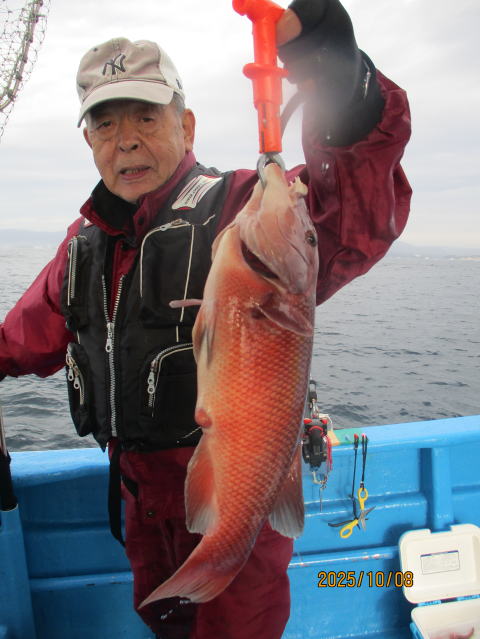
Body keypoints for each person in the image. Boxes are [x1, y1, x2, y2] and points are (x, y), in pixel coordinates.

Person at [0, 1, 411, 637]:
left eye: (146, 116)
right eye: (105, 124)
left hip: (239, 486)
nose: (126, 139)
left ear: (187, 125)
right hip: (139, 506)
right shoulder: (82, 247)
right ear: (88, 142)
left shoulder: (243, 208)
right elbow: (22, 339)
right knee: (165, 620)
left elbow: (352, 213)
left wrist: (340, 84)